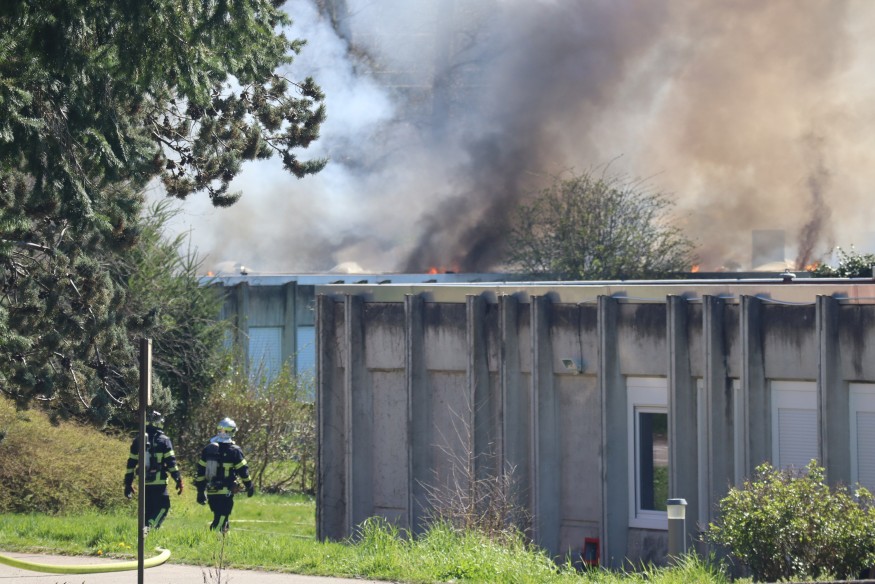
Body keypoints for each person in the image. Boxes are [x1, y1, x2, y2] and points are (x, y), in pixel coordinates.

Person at [124, 411, 184, 530]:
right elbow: (171, 463)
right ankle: (150, 528)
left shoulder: (137, 441)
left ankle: (144, 534)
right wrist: (178, 479)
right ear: (159, 423)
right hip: (159, 483)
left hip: (143, 484)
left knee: (148, 510)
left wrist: (128, 483)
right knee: (163, 507)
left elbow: (131, 464)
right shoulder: (164, 440)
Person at [194, 417, 254, 532]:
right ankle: (213, 540)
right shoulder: (235, 450)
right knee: (221, 519)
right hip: (225, 492)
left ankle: (221, 542)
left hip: (211, 491)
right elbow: (243, 471)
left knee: (221, 517)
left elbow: (200, 472)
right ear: (232, 431)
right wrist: (249, 485)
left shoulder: (208, 449)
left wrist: (200, 491)